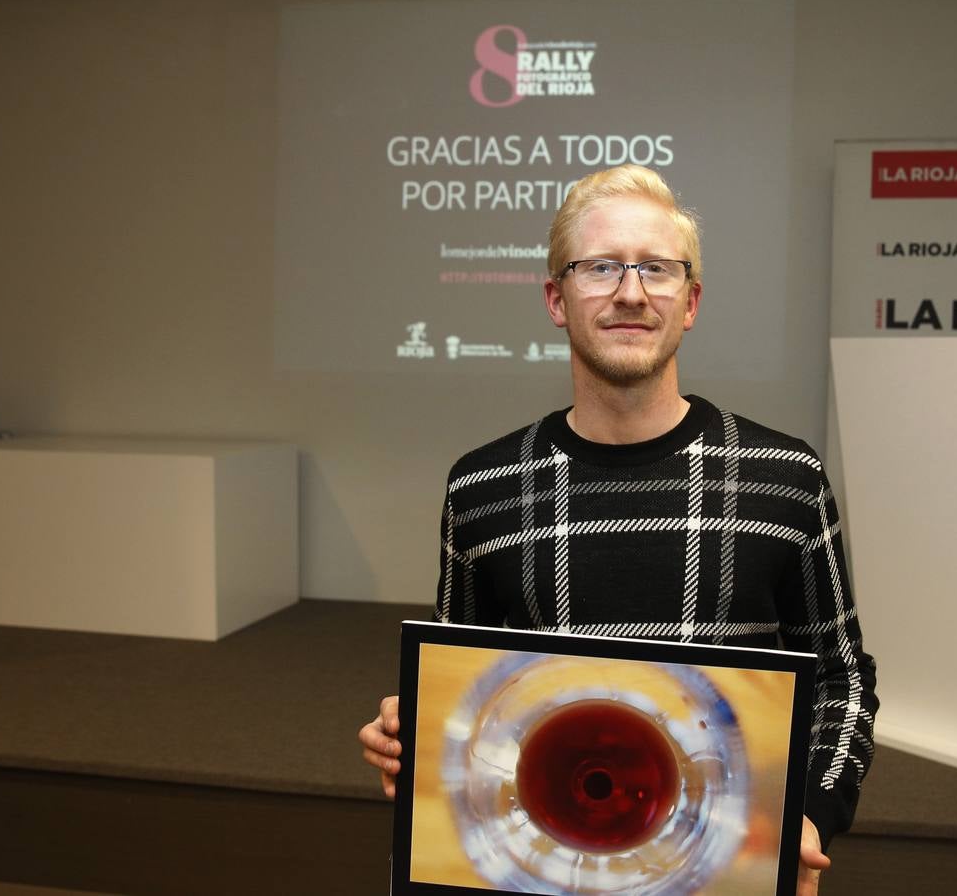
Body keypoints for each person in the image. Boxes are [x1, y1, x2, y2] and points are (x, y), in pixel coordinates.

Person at [360, 164, 877, 896]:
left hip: (725, 868)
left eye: (657, 270)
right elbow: (465, 682)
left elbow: (842, 677)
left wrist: (814, 815)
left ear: (690, 300)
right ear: (556, 299)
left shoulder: (784, 476)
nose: (631, 293)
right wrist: (411, 729)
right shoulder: (483, 487)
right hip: (545, 867)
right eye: (599, 267)